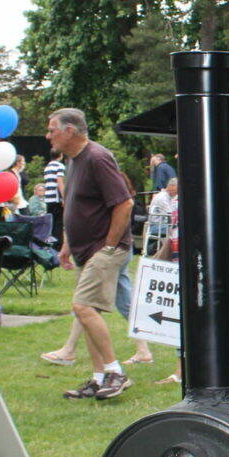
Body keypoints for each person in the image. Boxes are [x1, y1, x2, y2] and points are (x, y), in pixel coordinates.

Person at [47, 108, 134, 400]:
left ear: (70, 131)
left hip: (105, 250)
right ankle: (98, 379)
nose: (49, 136)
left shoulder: (97, 158)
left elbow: (124, 204)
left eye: (52, 130)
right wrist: (67, 247)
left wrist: (109, 245)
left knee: (83, 307)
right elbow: (77, 208)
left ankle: (115, 372)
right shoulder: (74, 162)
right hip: (85, 250)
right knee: (87, 313)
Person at [43, 152, 66, 244]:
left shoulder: (47, 167)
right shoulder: (59, 166)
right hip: (56, 199)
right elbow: (59, 181)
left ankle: (51, 243)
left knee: (51, 223)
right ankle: (58, 245)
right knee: (58, 223)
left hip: (48, 198)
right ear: (61, 155)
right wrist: (64, 197)